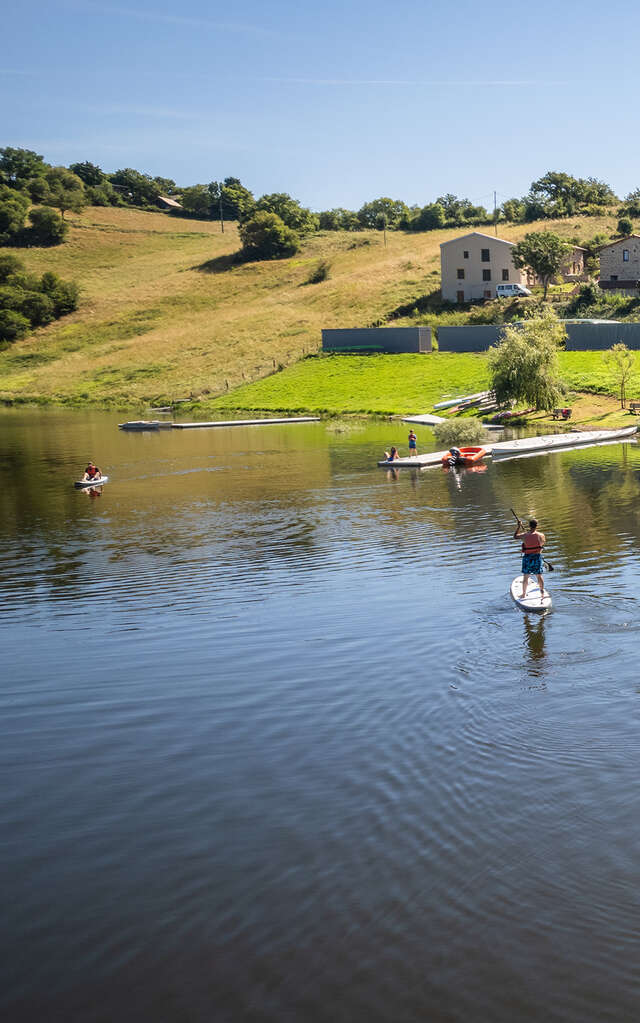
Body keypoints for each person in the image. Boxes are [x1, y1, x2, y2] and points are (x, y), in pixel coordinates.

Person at [514, 516, 546, 601]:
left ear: (529, 526)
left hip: (527, 558)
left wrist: (518, 526)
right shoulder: (541, 535)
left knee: (526, 577)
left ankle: (524, 594)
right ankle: (542, 593)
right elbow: (541, 545)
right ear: (537, 526)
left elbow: (515, 536)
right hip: (537, 557)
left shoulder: (524, 535)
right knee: (539, 576)